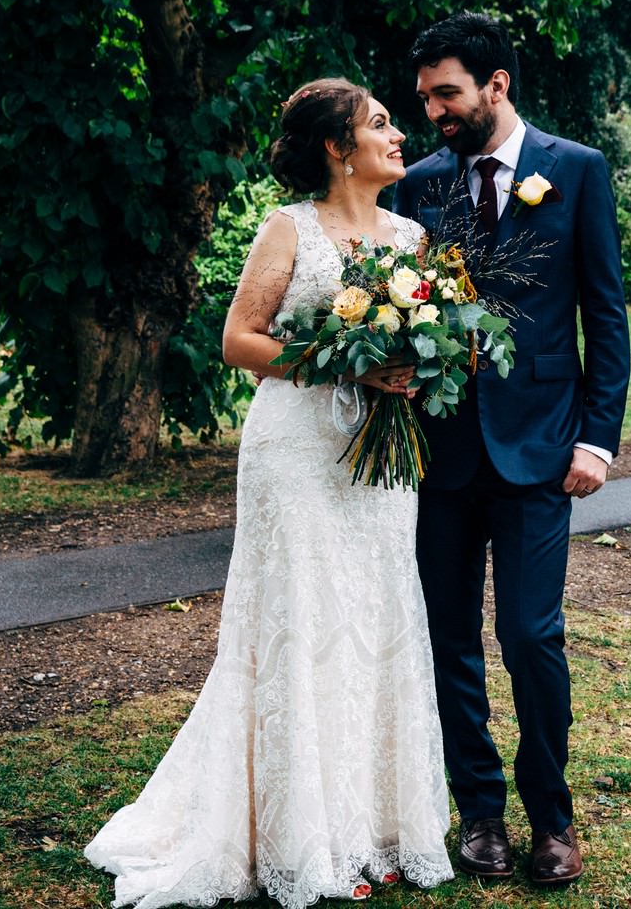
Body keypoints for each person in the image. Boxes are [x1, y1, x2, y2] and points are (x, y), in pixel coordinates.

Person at [85, 78, 455, 908]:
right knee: (302, 617)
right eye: (381, 124)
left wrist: (411, 370)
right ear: (337, 147)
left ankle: (371, 828)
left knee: (375, 615)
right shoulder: (289, 228)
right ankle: (294, 836)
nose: (398, 135)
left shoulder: (413, 236)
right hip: (296, 454)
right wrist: (345, 361)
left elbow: (421, 345)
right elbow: (239, 341)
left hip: (378, 460)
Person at [392, 12, 630, 887]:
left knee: (532, 638)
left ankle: (553, 821)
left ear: (496, 85)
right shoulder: (415, 186)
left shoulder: (575, 171)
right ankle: (481, 815)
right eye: (424, 99)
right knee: (449, 637)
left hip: (542, 450)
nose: (434, 113)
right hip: (440, 458)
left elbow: (604, 316)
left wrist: (598, 439)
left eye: (446, 94)